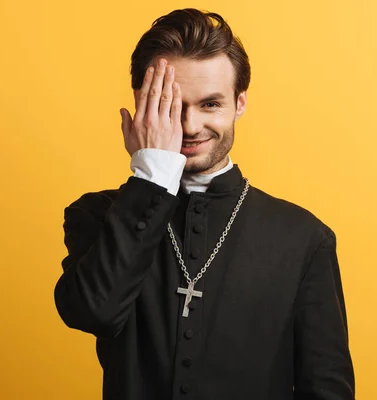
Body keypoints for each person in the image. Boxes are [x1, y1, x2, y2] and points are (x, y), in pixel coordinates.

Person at [54, 8, 355, 400]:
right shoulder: (97, 215)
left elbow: (327, 390)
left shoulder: (304, 236)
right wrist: (153, 173)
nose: (192, 126)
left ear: (240, 103)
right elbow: (93, 312)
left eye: (210, 104)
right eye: (173, 105)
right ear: (143, 104)